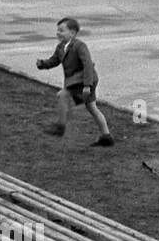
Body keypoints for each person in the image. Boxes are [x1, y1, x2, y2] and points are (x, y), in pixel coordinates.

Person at [36, 18, 114, 146]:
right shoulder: (60, 47)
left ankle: (60, 126)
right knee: (92, 107)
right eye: (57, 30)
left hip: (85, 80)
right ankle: (106, 137)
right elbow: (54, 60)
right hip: (78, 81)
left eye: (61, 30)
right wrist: (43, 64)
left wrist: (87, 86)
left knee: (63, 95)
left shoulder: (79, 46)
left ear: (72, 33)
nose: (58, 33)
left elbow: (87, 64)